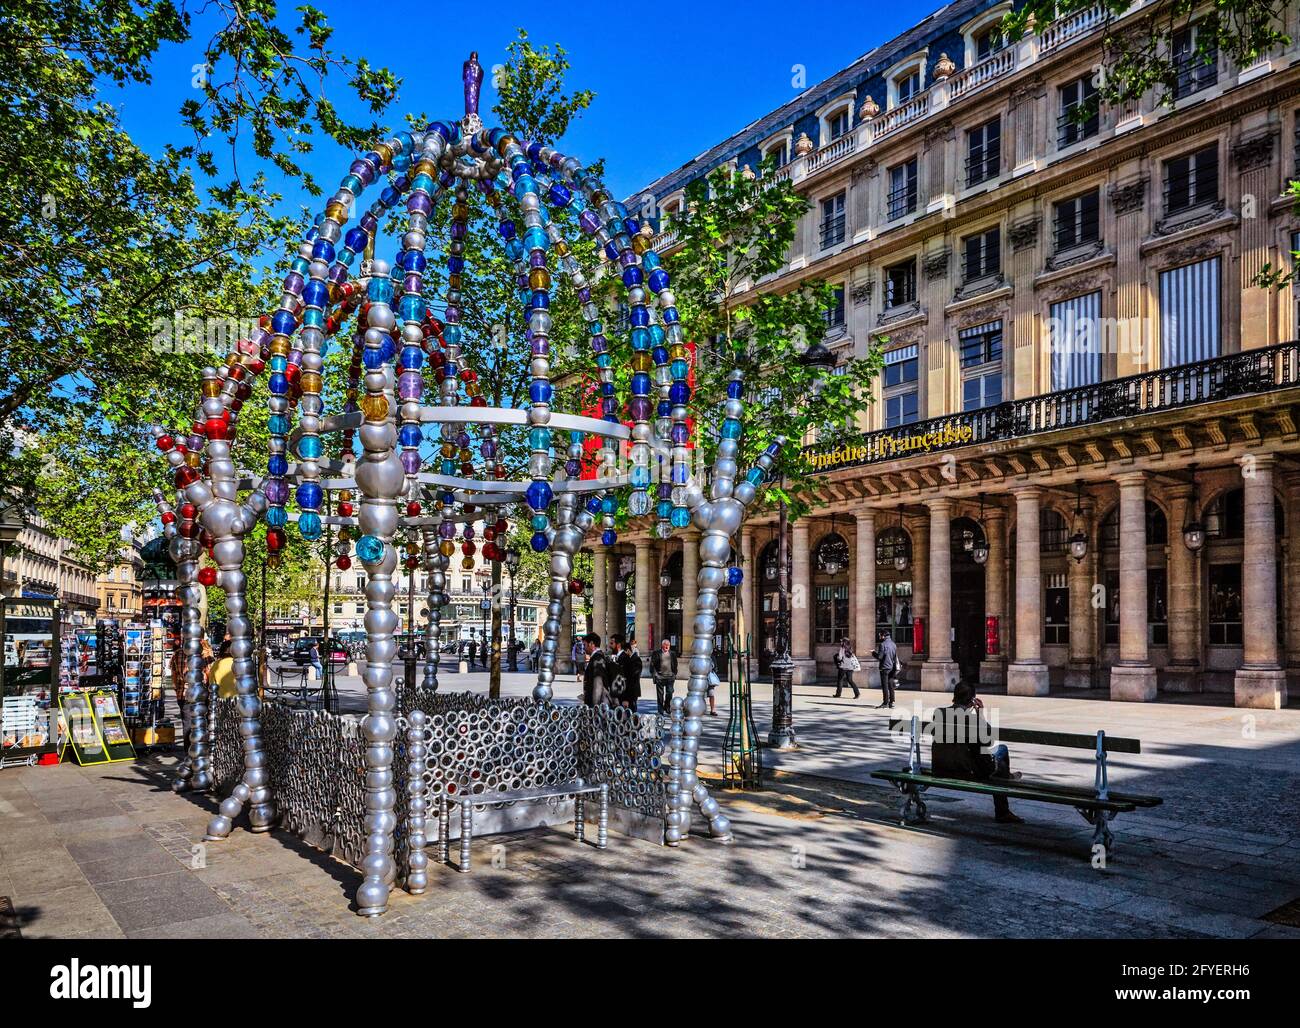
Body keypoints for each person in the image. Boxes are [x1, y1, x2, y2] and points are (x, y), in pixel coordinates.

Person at [932, 680, 1023, 824]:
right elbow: (989, 741)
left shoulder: (939, 713)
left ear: (954, 696)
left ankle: (1007, 777)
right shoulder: (972, 720)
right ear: (972, 700)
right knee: (1002, 752)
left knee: (999, 760)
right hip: (966, 771)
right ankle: (1003, 811)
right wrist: (980, 714)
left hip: (941, 768)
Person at [581, 632, 613, 706]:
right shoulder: (599, 657)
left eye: (584, 645)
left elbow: (598, 684)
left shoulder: (597, 659)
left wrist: (595, 705)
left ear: (591, 644)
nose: (584, 648)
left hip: (600, 703)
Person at [871, 630, 899, 709]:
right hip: (892, 667)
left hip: (884, 667)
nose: (879, 636)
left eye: (880, 634)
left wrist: (873, 653)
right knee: (891, 685)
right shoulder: (893, 644)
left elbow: (880, 657)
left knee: (885, 686)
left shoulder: (882, 645)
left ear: (883, 636)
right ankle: (892, 702)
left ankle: (885, 702)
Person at [650, 639, 678, 715]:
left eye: (668, 645)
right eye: (665, 645)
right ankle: (660, 709)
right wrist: (655, 674)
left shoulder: (672, 653)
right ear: (662, 645)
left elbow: (675, 664)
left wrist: (674, 674)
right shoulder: (656, 653)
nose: (667, 646)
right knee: (660, 695)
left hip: (670, 677)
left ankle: (667, 706)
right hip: (660, 677)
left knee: (670, 692)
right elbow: (652, 664)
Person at [618, 636, 643, 713]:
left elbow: (634, 676)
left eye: (624, 652)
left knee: (633, 708)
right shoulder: (631, 659)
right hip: (630, 689)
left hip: (633, 689)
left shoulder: (636, 659)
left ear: (628, 651)